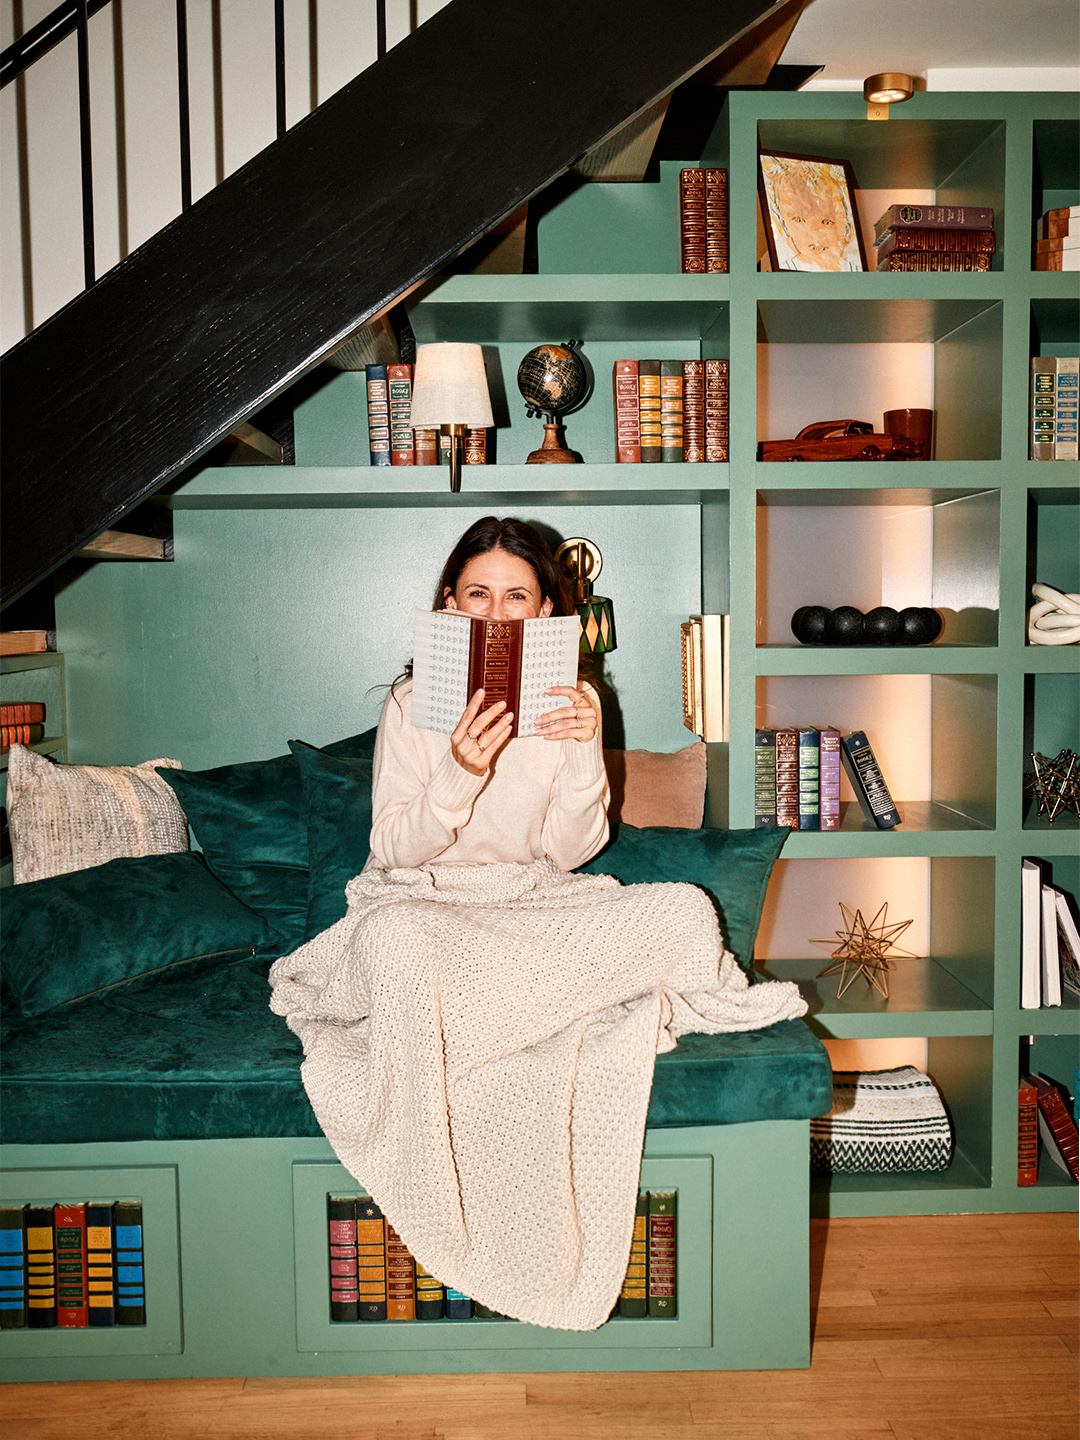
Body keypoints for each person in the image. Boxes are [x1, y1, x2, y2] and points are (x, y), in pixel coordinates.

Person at [369, 515, 610, 874]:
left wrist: (583, 751)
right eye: (479, 593)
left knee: (685, 905)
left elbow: (571, 855)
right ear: (452, 603)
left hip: (527, 893)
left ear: (543, 610)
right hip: (421, 892)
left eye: (516, 596)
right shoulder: (408, 701)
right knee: (392, 927)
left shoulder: (576, 702)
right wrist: (459, 774)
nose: (496, 614)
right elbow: (392, 852)